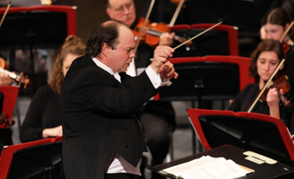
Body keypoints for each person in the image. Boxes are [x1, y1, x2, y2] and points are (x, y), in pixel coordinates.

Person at [60, 20, 178, 179]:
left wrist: (159, 75)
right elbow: (124, 100)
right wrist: (154, 66)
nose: (133, 55)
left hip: (119, 167)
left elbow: (130, 85)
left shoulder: (104, 71)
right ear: (106, 48)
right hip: (99, 170)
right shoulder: (85, 76)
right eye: (128, 50)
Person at [105, 1, 176, 178]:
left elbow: (168, 79)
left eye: (129, 6)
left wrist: (165, 50)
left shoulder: (151, 41)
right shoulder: (107, 44)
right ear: (109, 12)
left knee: (159, 135)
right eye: (120, 8)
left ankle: (158, 172)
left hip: (150, 108)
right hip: (118, 109)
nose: (127, 12)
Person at [19, 35, 86, 143]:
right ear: (61, 68)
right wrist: (49, 132)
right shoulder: (45, 93)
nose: (73, 73)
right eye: (68, 67)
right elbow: (24, 133)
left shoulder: (94, 94)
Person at [229, 39, 294, 133]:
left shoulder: (288, 96)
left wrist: (274, 108)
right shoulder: (248, 90)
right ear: (256, 62)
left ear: (281, 65)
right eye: (262, 62)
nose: (266, 68)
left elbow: (283, 139)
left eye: (272, 63)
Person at [260, 8, 294, 84]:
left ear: (286, 27)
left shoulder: (291, 54)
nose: (269, 37)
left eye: (274, 31)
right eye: (266, 31)